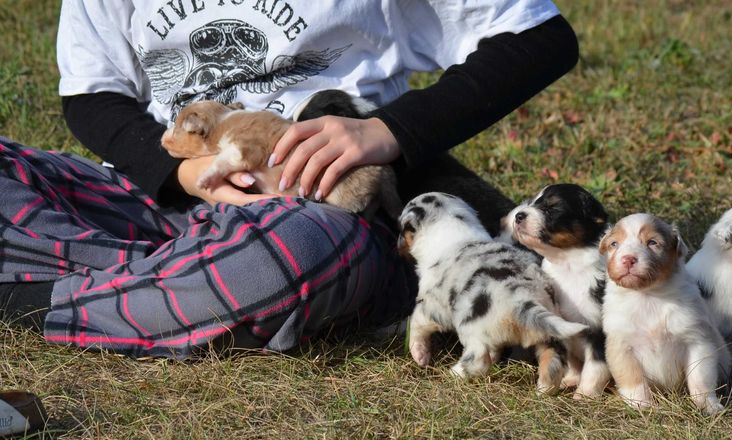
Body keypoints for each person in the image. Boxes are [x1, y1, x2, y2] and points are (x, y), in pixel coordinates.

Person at [0, 1, 578, 358]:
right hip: (154, 192)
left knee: (281, 261)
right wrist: (178, 173)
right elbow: (91, 94)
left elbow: (538, 38)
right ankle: (166, 284)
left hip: (311, 210)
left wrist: (391, 128)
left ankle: (36, 295)